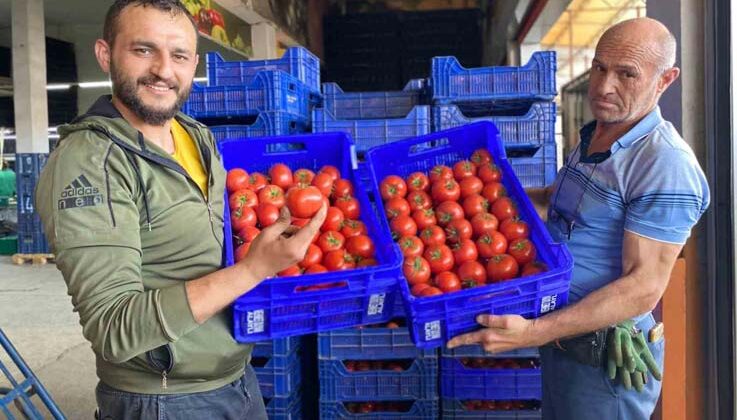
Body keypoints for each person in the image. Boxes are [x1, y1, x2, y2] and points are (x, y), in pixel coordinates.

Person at [34, 1, 326, 418]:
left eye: (179, 55)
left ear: (195, 64)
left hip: (236, 378)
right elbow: (114, 329)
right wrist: (252, 270)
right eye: (143, 50)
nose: (163, 70)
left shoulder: (196, 136)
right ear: (105, 54)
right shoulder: (90, 162)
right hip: (162, 400)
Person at [447, 17, 710, 419]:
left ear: (665, 80)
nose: (604, 86)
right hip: (563, 340)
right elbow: (558, 204)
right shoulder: (598, 132)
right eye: (600, 68)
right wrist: (481, 195)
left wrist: (532, 333)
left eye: (626, 74)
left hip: (602, 361)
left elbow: (642, 287)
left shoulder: (664, 163)